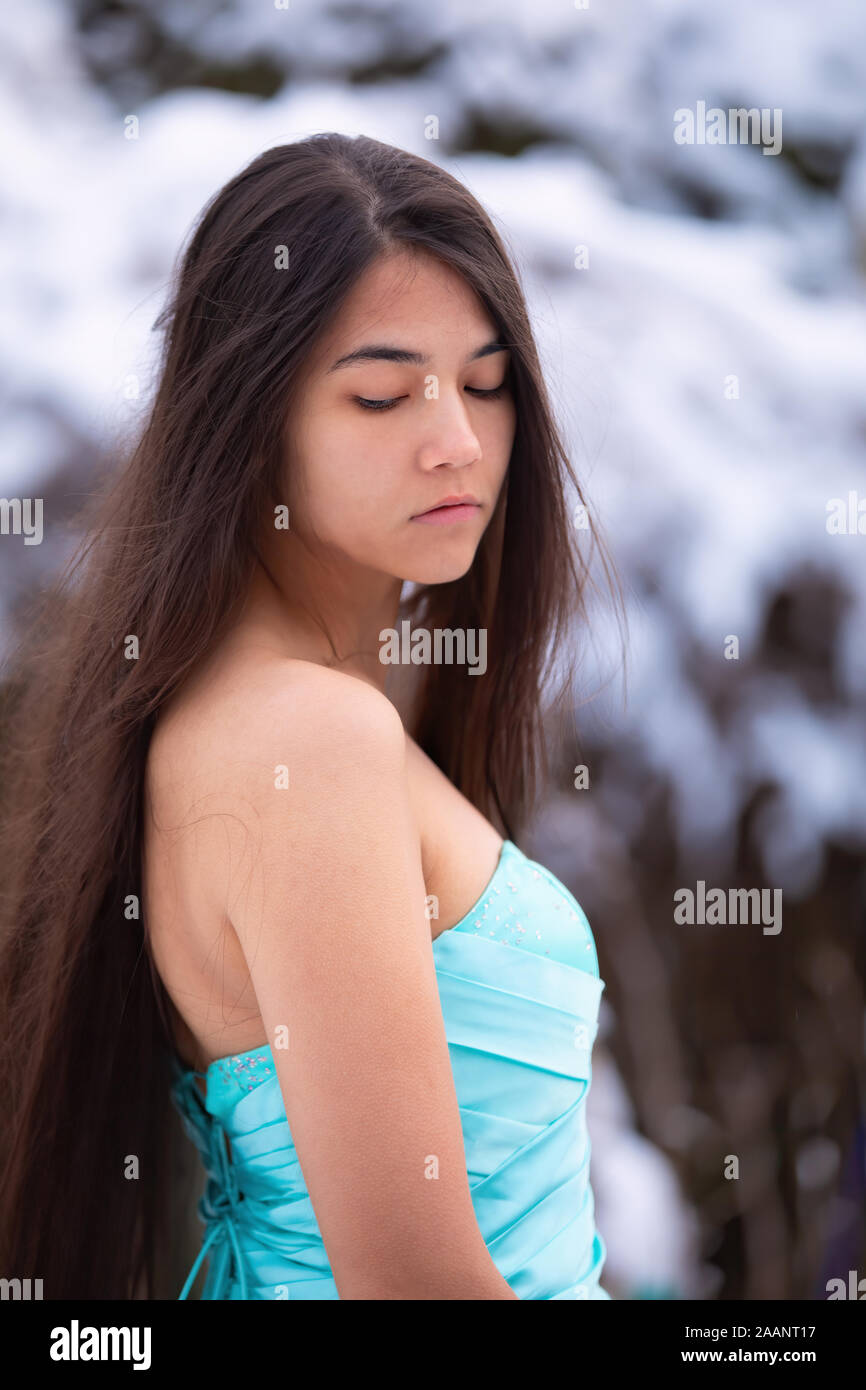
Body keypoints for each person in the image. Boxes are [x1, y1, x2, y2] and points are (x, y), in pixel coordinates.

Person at [0, 133, 623, 1299]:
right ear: (247, 418)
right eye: (382, 394)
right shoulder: (302, 740)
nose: (457, 439)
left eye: (485, 382)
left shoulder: (270, 715)